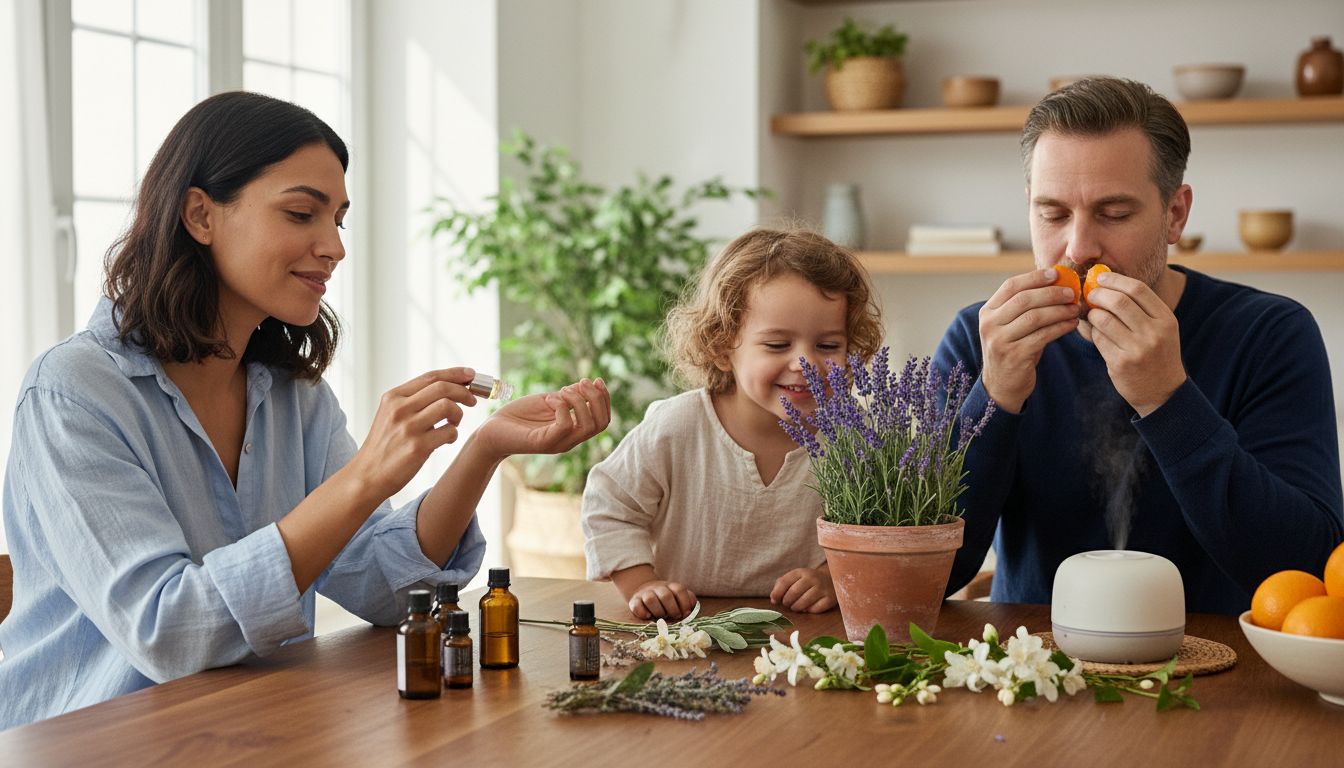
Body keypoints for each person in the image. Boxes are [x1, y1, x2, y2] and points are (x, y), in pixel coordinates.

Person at [0, 92, 610, 729]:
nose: (335, 247)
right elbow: (170, 632)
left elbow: (383, 586)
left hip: (257, 734)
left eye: (339, 221)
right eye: (301, 213)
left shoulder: (294, 396)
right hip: (93, 743)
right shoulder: (72, 394)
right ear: (200, 215)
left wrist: (485, 449)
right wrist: (364, 476)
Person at [935, 77, 1343, 615]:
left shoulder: (1270, 334)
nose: (1079, 247)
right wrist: (995, 397)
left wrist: (1168, 399)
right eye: (1053, 214)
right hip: (1026, 658)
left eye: (1114, 214)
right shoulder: (981, 337)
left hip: (1223, 661)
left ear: (1175, 214)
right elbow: (935, 575)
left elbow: (1308, 569)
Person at [582, 228, 883, 620]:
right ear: (722, 347)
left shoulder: (855, 435)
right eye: (777, 345)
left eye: (828, 346)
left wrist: (831, 578)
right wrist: (642, 584)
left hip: (808, 630)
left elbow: (878, 529)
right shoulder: (678, 426)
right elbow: (609, 504)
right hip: (686, 627)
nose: (805, 363)